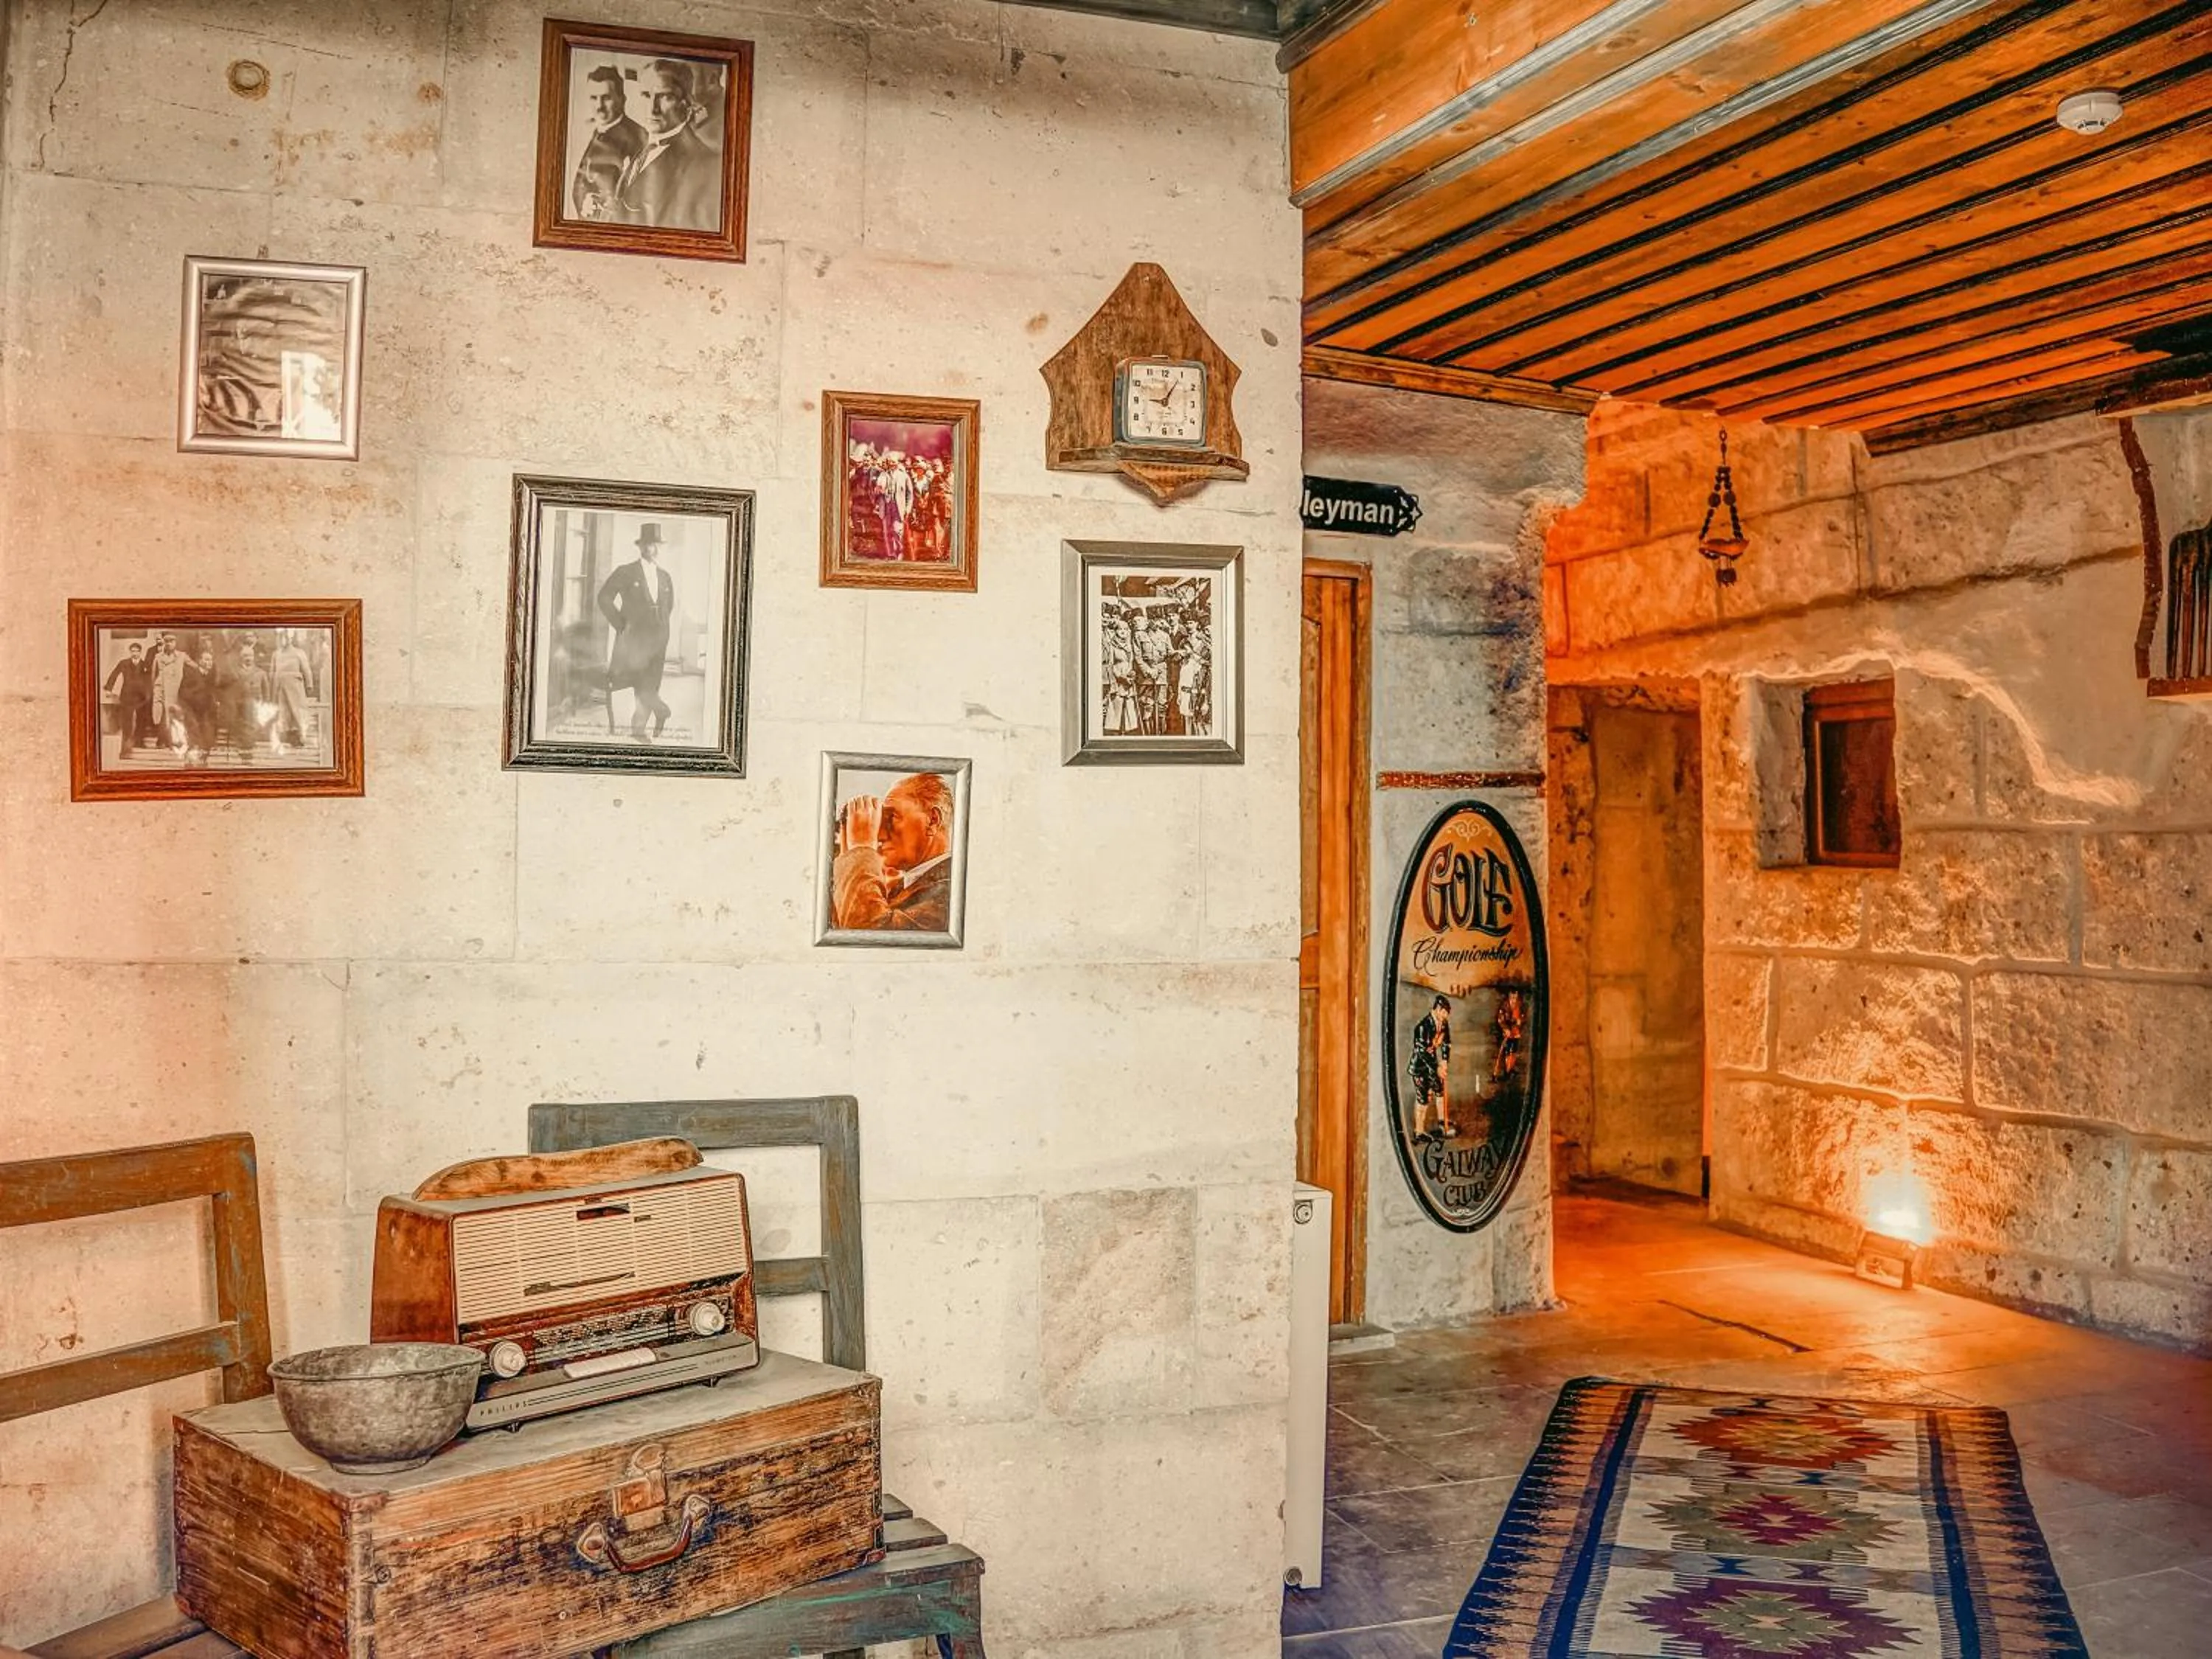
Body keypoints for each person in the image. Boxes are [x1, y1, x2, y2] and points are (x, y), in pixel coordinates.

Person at [830, 771, 955, 933]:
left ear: (933, 820)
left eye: (892, 817)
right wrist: (849, 851)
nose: (880, 835)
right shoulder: (902, 888)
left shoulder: (952, 892)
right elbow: (843, 929)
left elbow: (868, 935)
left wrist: (861, 848)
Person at [615, 58, 720, 231]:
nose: (652, 109)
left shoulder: (703, 162)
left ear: (686, 103)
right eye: (646, 95)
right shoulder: (641, 144)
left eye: (665, 97)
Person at [597, 522, 675, 741]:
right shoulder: (626, 572)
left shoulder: (665, 576)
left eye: (658, 545)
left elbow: (669, 605)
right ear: (641, 546)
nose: (655, 549)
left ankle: (642, 726)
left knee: (653, 682)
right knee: (641, 681)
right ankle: (655, 716)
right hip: (635, 639)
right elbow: (603, 598)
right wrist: (621, 624)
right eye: (651, 544)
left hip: (659, 638)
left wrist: (662, 627)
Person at [570, 64, 646, 220]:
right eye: (593, 98)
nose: (599, 106)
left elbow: (640, 201)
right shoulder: (590, 131)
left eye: (606, 98)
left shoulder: (638, 137)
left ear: (622, 99)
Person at [1409, 994, 1453, 1141]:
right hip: (1420, 1068)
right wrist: (1437, 1068)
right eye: (1445, 1013)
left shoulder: (1443, 1023)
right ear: (1439, 1009)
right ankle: (1419, 1131)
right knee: (1423, 1099)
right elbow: (1422, 1053)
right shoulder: (1422, 1027)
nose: (1446, 1016)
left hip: (1433, 1065)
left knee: (1439, 1090)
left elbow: (1446, 1043)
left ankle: (1442, 1122)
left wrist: (1445, 1060)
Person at [103, 641, 152, 757]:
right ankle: (125, 750)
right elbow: (114, 674)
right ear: (130, 652)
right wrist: (109, 688)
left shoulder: (145, 665)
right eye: (133, 651)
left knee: (141, 720)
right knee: (127, 723)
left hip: (141, 698)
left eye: (137, 651)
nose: (135, 653)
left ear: (140, 652)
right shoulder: (124, 663)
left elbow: (149, 680)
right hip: (127, 696)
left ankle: (139, 742)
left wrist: (148, 694)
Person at [268, 630, 316, 750]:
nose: (285, 640)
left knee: (296, 710)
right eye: (282, 638)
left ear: (291, 639)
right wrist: (272, 685)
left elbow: (306, 669)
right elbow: (272, 671)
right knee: (283, 711)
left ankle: (298, 737)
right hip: (280, 686)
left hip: (295, 686)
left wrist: (309, 684)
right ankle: (285, 735)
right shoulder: (276, 654)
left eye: (287, 638)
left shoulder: (299, 653)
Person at [175, 644, 219, 764]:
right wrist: (196, 697)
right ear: (199, 661)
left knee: (207, 734)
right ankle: (190, 761)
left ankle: (202, 760)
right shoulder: (191, 674)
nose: (209, 662)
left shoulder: (211, 676)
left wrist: (214, 701)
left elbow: (212, 692)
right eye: (206, 660)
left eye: (210, 660)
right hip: (191, 709)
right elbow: (183, 692)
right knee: (194, 733)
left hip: (205, 711)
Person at [149, 633, 185, 747]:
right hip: (161, 689)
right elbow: (153, 675)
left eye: (171, 641)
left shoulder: (181, 656)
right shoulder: (158, 657)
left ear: (175, 643)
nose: (169, 644)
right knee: (160, 715)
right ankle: (161, 740)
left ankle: (172, 741)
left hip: (175, 690)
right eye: (167, 641)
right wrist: (155, 688)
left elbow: (191, 669)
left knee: (173, 715)